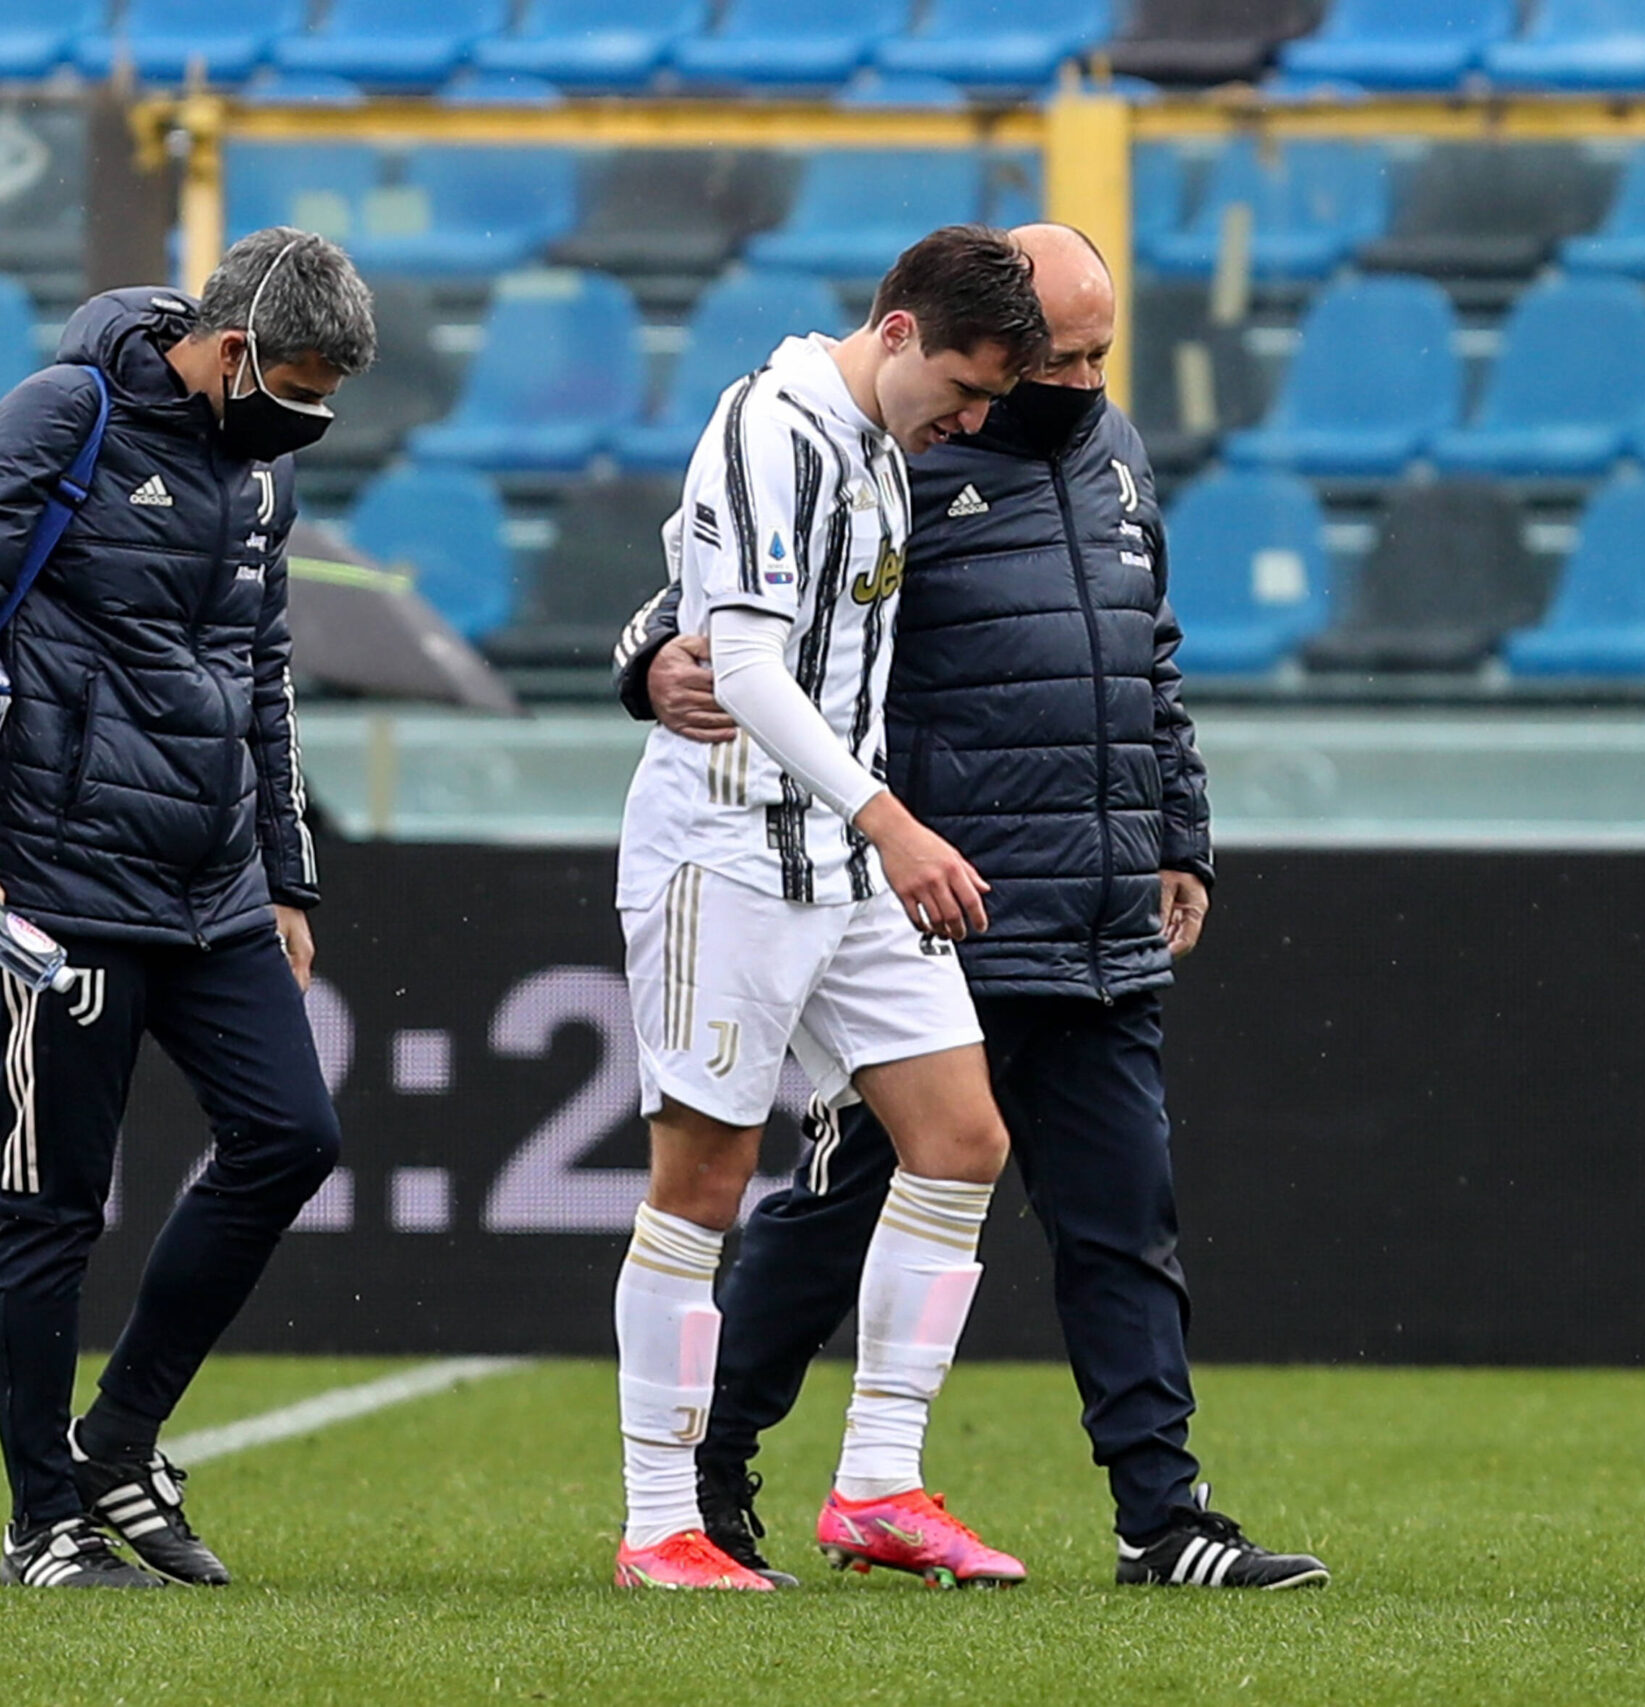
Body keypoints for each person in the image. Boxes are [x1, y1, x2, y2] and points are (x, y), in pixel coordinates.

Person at [620, 224, 1329, 1590]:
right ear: (931, 340)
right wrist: (649, 665)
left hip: (1076, 901)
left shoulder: (1096, 454)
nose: (1056, 387)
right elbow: (702, 612)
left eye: (1091, 356)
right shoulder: (864, 434)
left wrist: (1179, 831)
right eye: (1043, 360)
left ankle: (1149, 1516)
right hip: (905, 874)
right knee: (788, 1206)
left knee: (1086, 1200)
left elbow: (1144, 655)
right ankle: (690, 1492)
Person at [0, 228, 373, 1590]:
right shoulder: (68, 412)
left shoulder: (257, 477)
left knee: (293, 1137)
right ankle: (43, 1521)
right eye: (299, 381)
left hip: (211, 888)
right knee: (53, 1203)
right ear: (229, 350)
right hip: (61, 885)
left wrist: (285, 868)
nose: (310, 412)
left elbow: (260, 668)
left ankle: (119, 1439)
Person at [608, 224, 1051, 1592]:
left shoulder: (874, 441)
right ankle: (657, 1523)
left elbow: (704, 603)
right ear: (900, 331)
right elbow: (738, 660)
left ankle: (875, 1486)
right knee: (704, 1182)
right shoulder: (775, 423)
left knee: (962, 1137)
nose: (969, 424)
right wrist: (892, 819)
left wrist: (647, 649)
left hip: (839, 853)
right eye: (964, 394)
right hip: (729, 849)